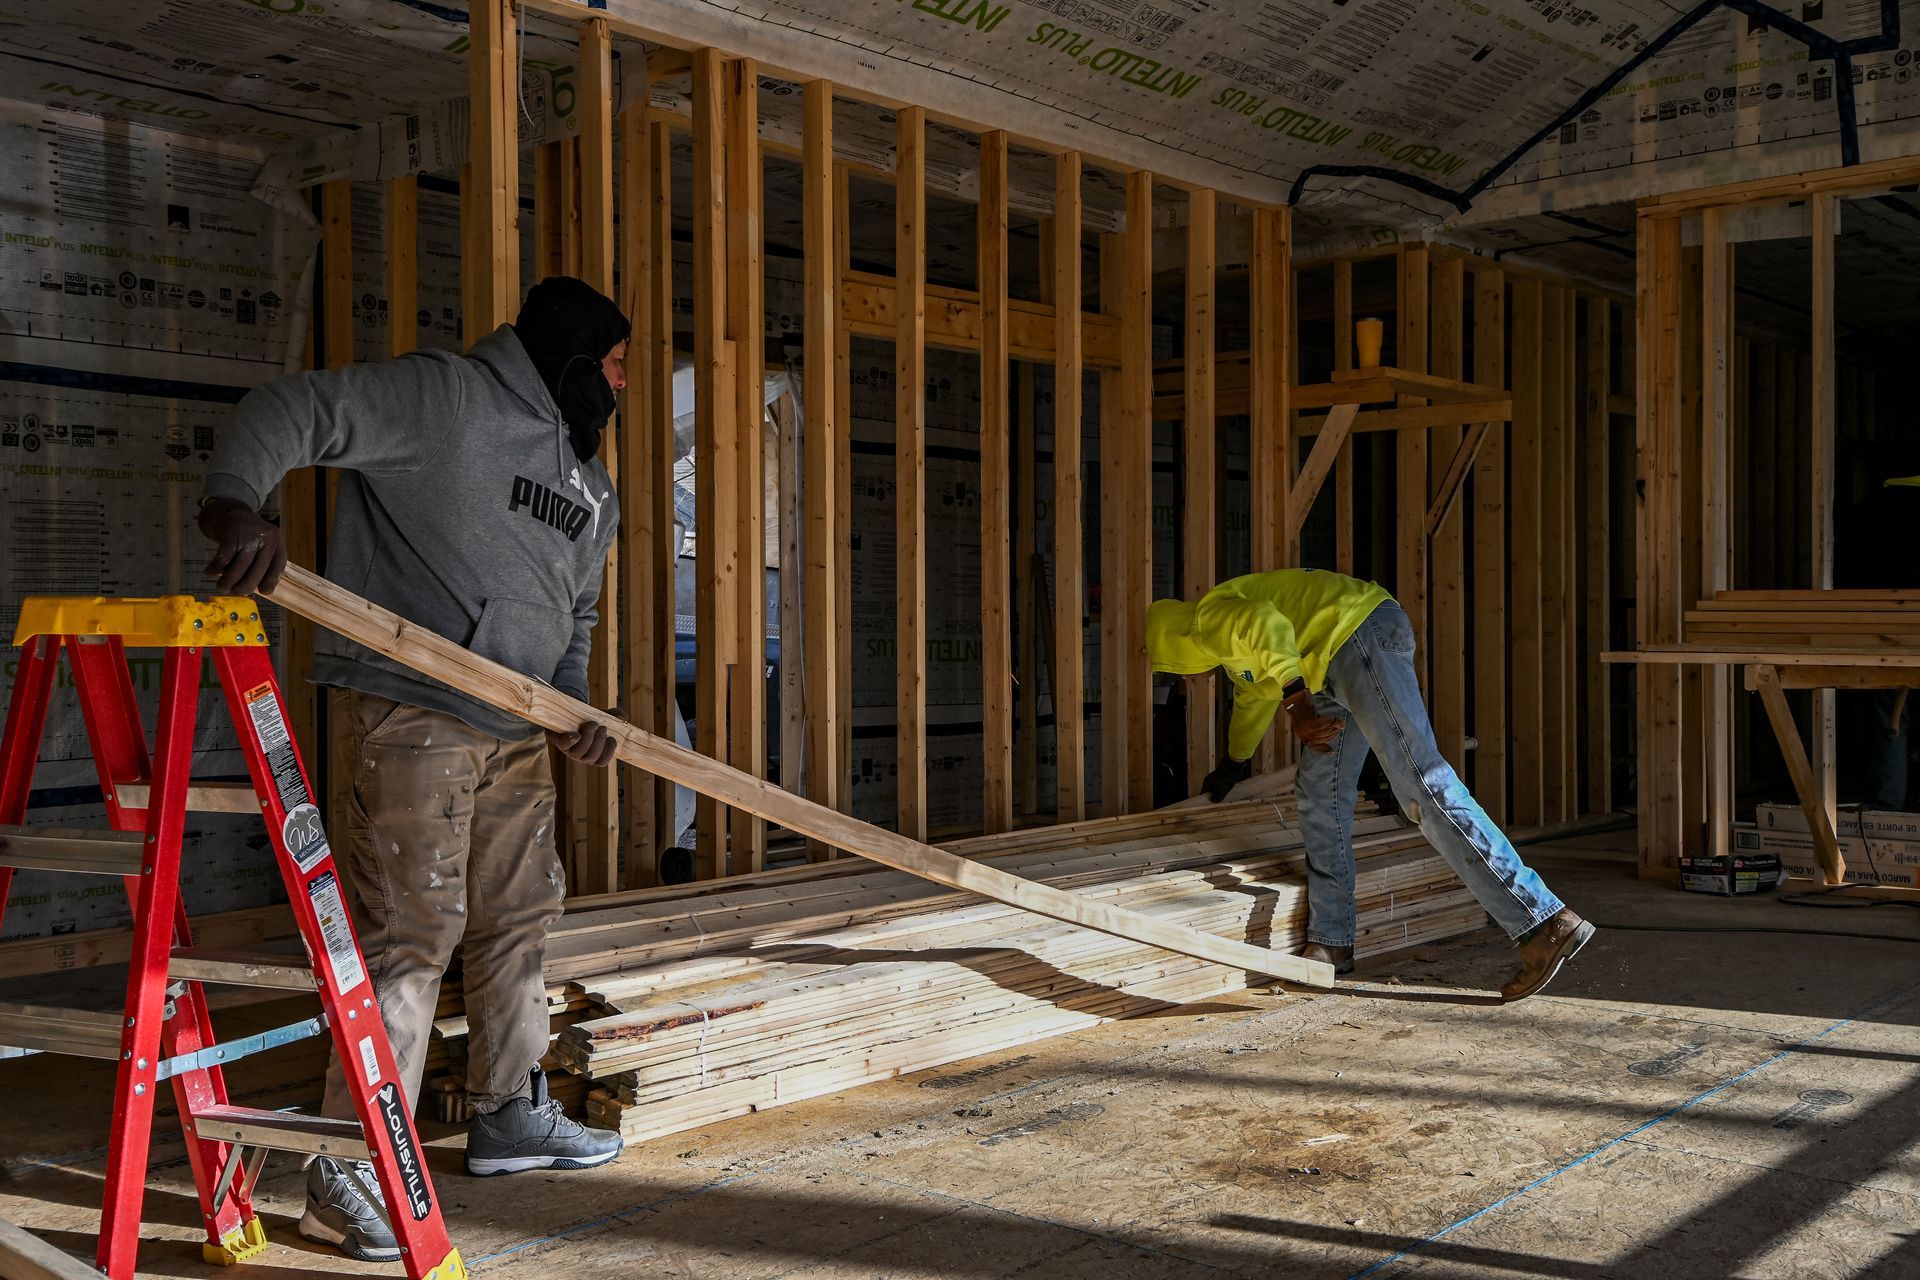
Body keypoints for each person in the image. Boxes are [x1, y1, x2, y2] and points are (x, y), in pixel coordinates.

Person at [197, 277, 630, 1262]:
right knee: (411, 927)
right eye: (612, 364)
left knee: (523, 912)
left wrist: (574, 712)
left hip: (519, 729)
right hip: (411, 708)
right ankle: (346, 1165)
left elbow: (580, 617)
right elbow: (290, 408)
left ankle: (509, 1110)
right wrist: (238, 503)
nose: (618, 385)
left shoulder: (590, 487)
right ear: (571, 355)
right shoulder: (451, 399)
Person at [1145, 568, 1591, 1001]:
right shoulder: (1233, 658)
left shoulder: (1209, 619)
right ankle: (1331, 941)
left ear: (1174, 644)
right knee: (1319, 794)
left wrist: (1298, 702)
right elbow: (1251, 702)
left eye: (1175, 671)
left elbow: (1267, 625)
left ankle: (1541, 921)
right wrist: (1233, 763)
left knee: (1421, 782)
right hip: (1329, 667)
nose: (1185, 680)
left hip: (1355, 634)